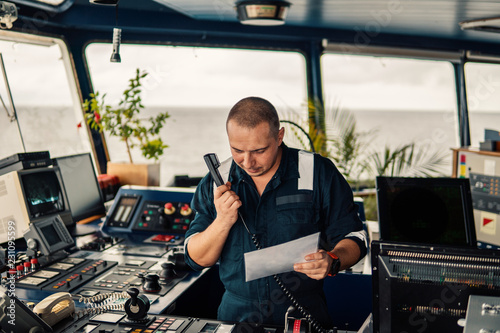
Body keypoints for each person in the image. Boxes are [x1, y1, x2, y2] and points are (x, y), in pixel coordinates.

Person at [184, 96, 367, 328]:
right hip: (235, 315)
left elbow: (355, 238)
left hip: (304, 313)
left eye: (259, 150)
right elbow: (195, 258)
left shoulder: (318, 172)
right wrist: (222, 221)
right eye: (237, 150)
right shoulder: (215, 181)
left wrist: (333, 260)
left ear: (279, 136)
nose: (248, 162)